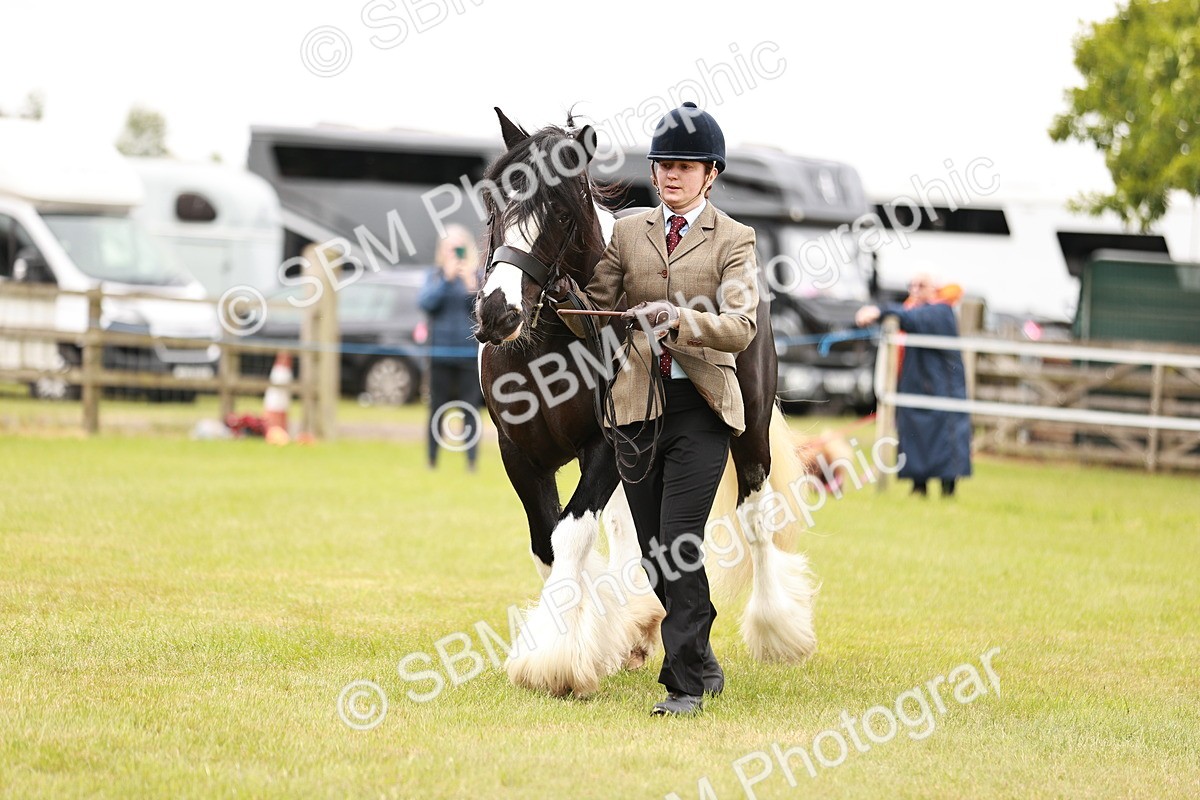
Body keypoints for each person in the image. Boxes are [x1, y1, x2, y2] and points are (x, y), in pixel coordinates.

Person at [550, 102, 758, 717]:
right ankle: (701, 646)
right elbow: (599, 307)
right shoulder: (628, 232)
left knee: (679, 543)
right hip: (637, 408)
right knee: (650, 553)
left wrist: (682, 321)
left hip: (700, 408)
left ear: (710, 173)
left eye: (685, 166)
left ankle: (683, 686)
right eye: (663, 164)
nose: (671, 175)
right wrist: (561, 296)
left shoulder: (735, 240)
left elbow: (741, 326)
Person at [855, 272, 972, 497]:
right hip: (916, 387)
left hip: (942, 391)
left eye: (922, 285)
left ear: (934, 289)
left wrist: (879, 311)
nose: (915, 290)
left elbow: (915, 319)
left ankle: (948, 491)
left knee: (945, 442)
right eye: (912, 285)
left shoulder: (941, 312)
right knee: (915, 437)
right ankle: (919, 488)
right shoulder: (912, 311)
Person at [419, 224, 483, 471]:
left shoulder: (476, 276)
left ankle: (471, 461)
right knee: (437, 408)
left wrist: (470, 286)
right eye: (449, 248)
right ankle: (432, 459)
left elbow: (480, 311)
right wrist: (446, 280)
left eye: (458, 248)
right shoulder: (434, 276)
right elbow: (426, 303)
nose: (453, 253)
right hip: (440, 354)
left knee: (470, 409)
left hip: (468, 354)